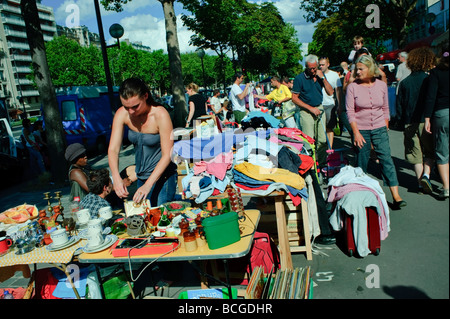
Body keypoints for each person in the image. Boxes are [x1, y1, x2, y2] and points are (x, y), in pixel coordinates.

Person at [346, 55, 406, 209]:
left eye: (361, 69)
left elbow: (386, 108)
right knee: (362, 161)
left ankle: (396, 195)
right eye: (356, 69)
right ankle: (362, 195)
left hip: (380, 128)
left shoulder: (381, 85)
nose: (357, 72)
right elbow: (350, 112)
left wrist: (385, 124)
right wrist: (356, 132)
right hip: (361, 130)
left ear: (370, 69)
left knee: (386, 159)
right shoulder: (353, 87)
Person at [108, 78, 178, 206]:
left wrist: (148, 185)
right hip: (141, 176)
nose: (131, 112)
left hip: (163, 177)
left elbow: (168, 154)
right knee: (145, 218)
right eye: (126, 107)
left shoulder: (160, 114)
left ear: (145, 96)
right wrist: (116, 178)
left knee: (162, 218)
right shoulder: (122, 114)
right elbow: (113, 149)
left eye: (135, 106)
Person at [396, 47, 436, 194]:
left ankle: (420, 183)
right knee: (430, 152)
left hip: (409, 121)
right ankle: (426, 175)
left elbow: (399, 105)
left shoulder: (405, 83)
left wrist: (400, 122)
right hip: (426, 121)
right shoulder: (429, 79)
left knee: (415, 154)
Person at [292, 54, 334, 167]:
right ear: (306, 67)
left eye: (314, 68)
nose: (312, 70)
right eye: (310, 68)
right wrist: (310, 108)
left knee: (322, 140)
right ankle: (310, 164)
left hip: (319, 108)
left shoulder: (321, 76)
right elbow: (294, 98)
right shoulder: (299, 78)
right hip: (306, 110)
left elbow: (331, 92)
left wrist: (323, 78)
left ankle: (321, 163)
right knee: (309, 140)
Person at [424, 48, 449, 200]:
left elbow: (431, 97)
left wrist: (427, 118)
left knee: (442, 150)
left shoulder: (436, 73)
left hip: (442, 113)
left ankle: (446, 187)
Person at [319, 57, 343, 148]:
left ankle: (330, 147)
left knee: (329, 127)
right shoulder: (316, 74)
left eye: (323, 65)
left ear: (328, 64)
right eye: (319, 65)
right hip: (319, 104)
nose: (321, 66)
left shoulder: (334, 75)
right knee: (320, 128)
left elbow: (338, 90)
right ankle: (322, 148)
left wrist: (339, 105)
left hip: (329, 104)